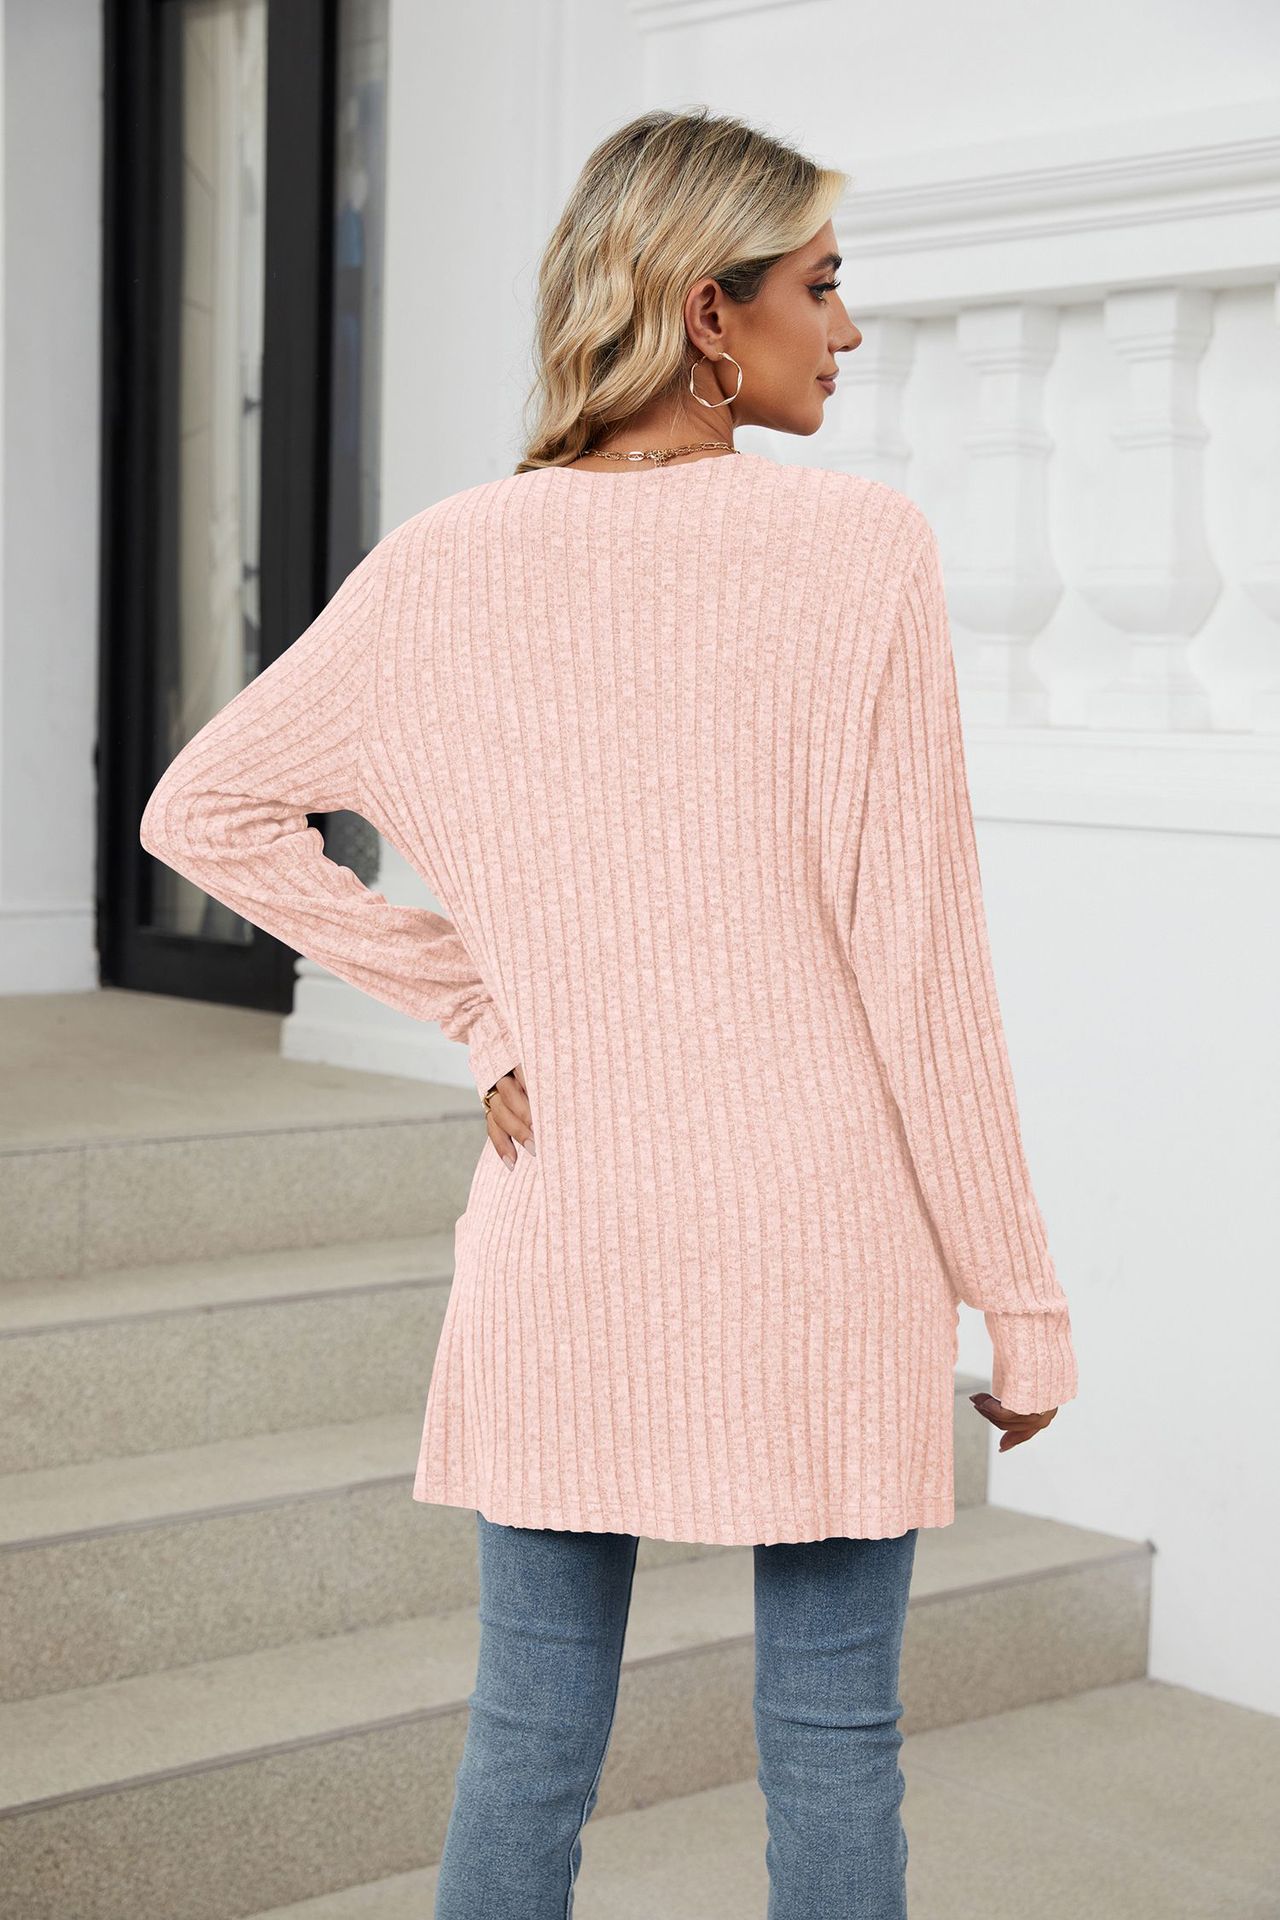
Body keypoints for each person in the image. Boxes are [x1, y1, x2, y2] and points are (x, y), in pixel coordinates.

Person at [139, 105, 1078, 1920]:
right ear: (712, 314)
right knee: (834, 1739)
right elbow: (924, 971)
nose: (849, 328)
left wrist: (482, 1009)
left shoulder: (446, 562)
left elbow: (203, 810)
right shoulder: (862, 551)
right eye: (822, 285)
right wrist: (1018, 1298)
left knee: (528, 1735)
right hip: (826, 1236)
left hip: (571, 1220)